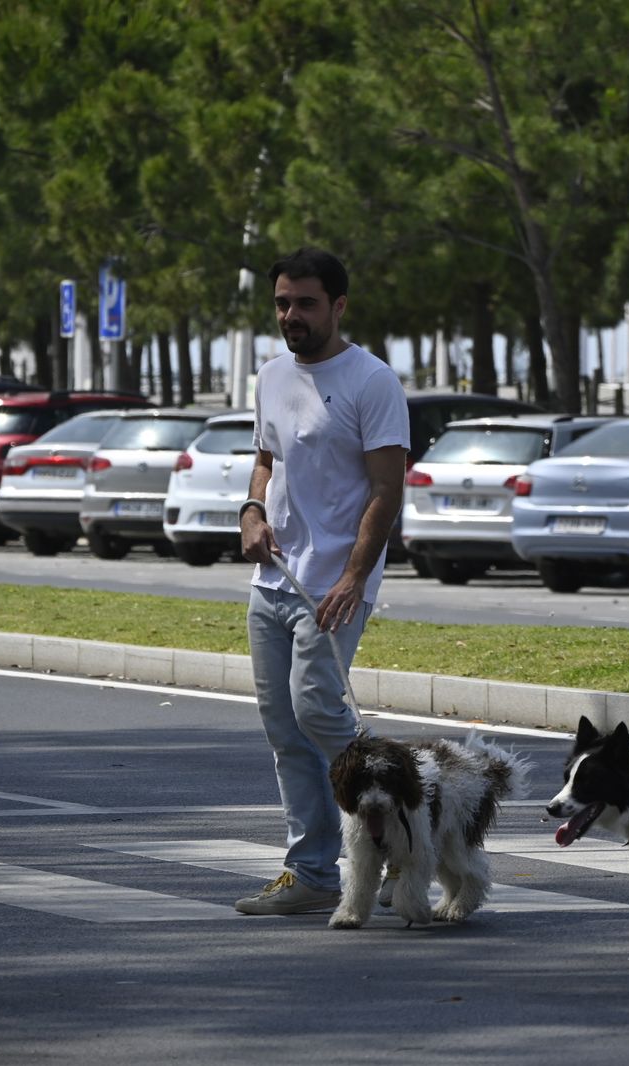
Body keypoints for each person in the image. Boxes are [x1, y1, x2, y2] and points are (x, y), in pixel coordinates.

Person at [233, 248, 410, 916]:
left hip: (335, 583)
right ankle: (311, 871)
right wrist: (252, 511)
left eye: (305, 303)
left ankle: (401, 824)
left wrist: (354, 576)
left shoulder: (371, 381)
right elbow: (264, 461)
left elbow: (386, 491)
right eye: (282, 303)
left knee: (317, 711)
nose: (291, 315)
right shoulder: (273, 375)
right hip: (273, 581)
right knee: (285, 728)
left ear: (338, 306)